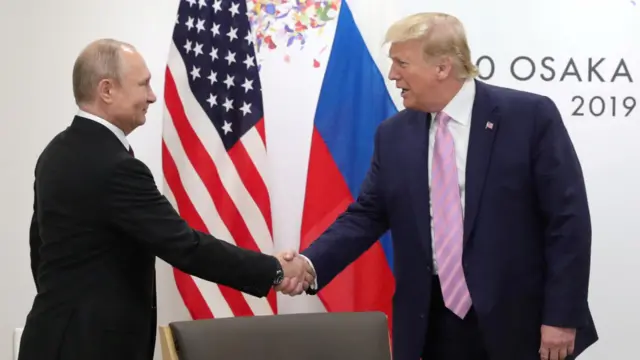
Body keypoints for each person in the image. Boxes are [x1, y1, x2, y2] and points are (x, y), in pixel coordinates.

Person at [287, 12, 598, 360]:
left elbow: (567, 223)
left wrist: (561, 317)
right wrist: (309, 263)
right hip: (431, 325)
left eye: (402, 63)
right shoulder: (393, 135)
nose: (393, 74)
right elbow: (367, 214)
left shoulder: (529, 117)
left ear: (442, 67)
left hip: (520, 324)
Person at [18, 39, 311, 360]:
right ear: (106, 90)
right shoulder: (115, 167)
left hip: (50, 339)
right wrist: (274, 270)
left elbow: (41, 250)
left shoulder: (56, 152)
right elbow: (185, 246)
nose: (152, 96)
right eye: (143, 85)